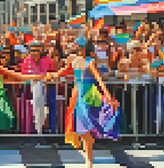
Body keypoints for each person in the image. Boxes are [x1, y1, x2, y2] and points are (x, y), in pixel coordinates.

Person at [47, 39, 120, 168]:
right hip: (77, 97)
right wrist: (48, 76)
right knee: (81, 129)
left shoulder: (90, 62)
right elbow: (60, 73)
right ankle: (89, 152)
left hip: (89, 96)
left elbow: (99, 79)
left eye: (80, 47)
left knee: (84, 128)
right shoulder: (74, 63)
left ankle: (89, 160)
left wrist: (108, 97)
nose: (78, 49)